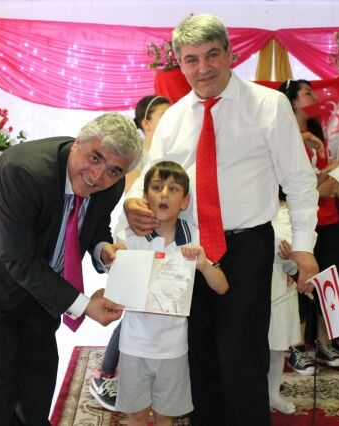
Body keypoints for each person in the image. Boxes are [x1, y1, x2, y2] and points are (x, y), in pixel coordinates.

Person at [123, 14, 319, 424]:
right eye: (191, 60)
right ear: (181, 64)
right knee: (197, 356)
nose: (203, 68)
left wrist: (304, 247)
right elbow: (149, 177)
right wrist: (131, 205)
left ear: (230, 54)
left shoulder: (268, 105)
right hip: (187, 249)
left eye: (212, 55)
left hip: (247, 246)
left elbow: (300, 181)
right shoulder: (174, 118)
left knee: (242, 355)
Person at [0, 112, 142, 425]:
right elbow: (17, 259)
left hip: (41, 288)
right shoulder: (23, 172)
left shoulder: (112, 185)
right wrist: (85, 306)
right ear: (77, 143)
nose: (98, 176)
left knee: (38, 382)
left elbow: (94, 225)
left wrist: (102, 250)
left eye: (113, 170)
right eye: (95, 157)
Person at [115, 160, 228, 426]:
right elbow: (116, 286)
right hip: (133, 344)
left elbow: (222, 286)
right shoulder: (129, 237)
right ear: (145, 197)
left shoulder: (194, 237)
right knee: (136, 415)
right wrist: (114, 259)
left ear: (185, 201)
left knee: (166, 416)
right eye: (157, 187)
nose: (164, 194)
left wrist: (204, 264)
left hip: (173, 349)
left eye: (173, 189)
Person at [90, 95, 171, 411]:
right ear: (146, 123)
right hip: (133, 240)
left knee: (153, 310)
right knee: (132, 311)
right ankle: (104, 374)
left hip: (161, 240)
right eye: (163, 116)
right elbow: (133, 199)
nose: (170, 121)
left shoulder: (171, 151)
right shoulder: (137, 157)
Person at [277, 79, 339, 372]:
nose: (315, 97)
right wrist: (326, 178)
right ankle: (297, 347)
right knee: (299, 282)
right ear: (291, 101)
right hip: (298, 222)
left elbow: (324, 185)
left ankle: (324, 343)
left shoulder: (320, 137)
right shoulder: (284, 136)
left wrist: (335, 172)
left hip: (328, 219)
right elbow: (291, 189)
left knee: (329, 281)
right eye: (307, 93)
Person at [267, 190, 302, 415]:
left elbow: (301, 258)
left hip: (280, 281)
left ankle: (273, 393)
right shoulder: (253, 208)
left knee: (277, 344)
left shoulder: (292, 212)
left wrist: (292, 257)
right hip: (250, 278)